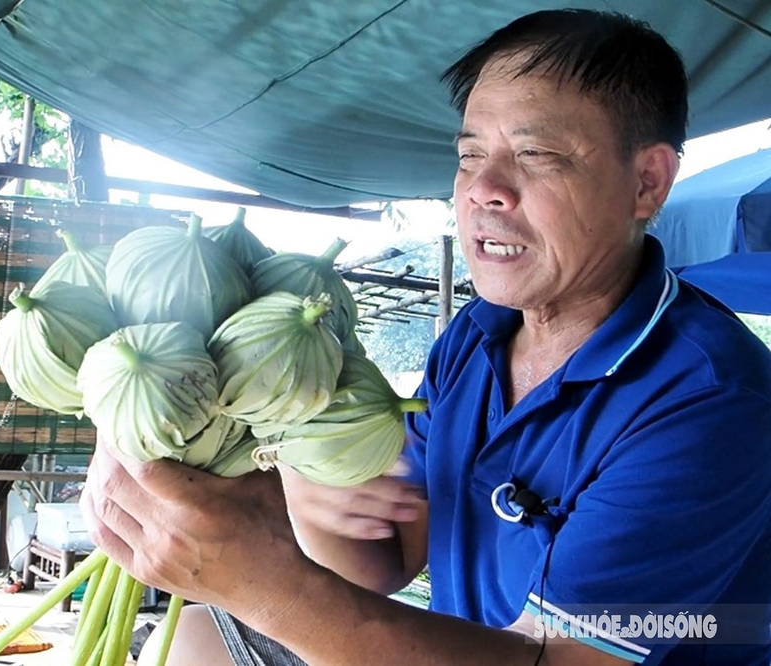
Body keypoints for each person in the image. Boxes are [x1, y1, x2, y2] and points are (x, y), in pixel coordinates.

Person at [81, 8, 771, 666]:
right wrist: (298, 474)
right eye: (470, 157)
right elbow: (383, 558)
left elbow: (560, 660)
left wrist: (266, 583)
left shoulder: (710, 399)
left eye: (534, 155)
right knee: (197, 637)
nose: (483, 191)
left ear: (647, 183)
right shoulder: (474, 340)